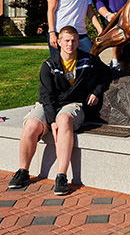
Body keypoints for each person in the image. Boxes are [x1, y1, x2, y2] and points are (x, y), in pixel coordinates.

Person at [8, 26, 111, 195]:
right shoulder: (49, 65)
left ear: (78, 42)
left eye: (73, 41)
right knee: (31, 125)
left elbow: (106, 73)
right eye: (66, 40)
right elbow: (47, 97)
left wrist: (96, 92)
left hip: (72, 105)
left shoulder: (87, 60)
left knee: (64, 120)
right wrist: (51, 121)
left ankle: (61, 176)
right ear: (59, 42)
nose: (70, 44)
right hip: (48, 104)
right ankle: (23, 171)